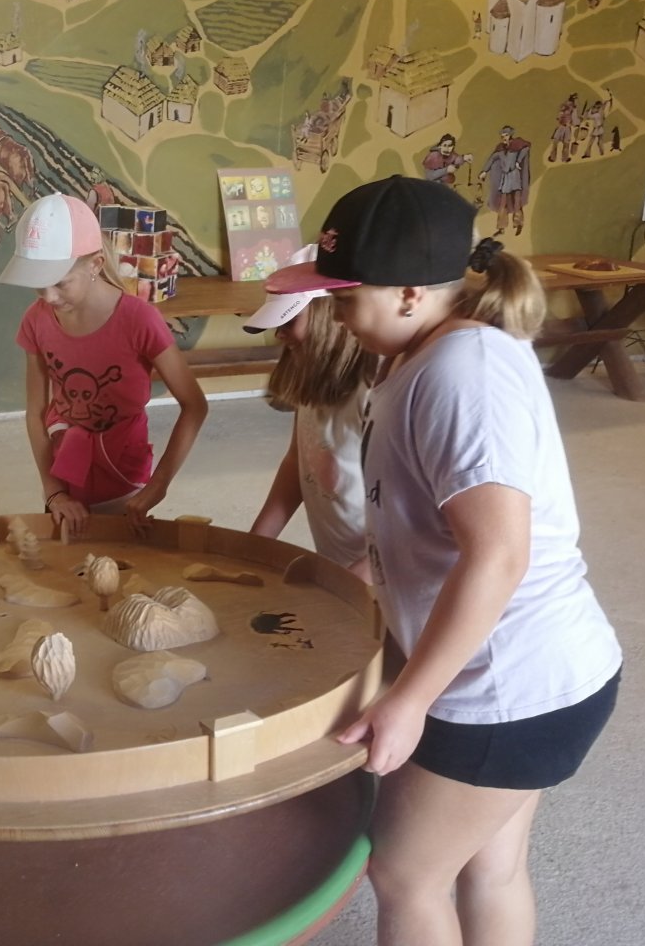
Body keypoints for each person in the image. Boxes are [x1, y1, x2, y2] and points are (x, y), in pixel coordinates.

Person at [265, 176, 622, 946]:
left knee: (404, 875)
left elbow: (499, 555)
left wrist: (410, 699)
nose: (333, 312)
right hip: (537, 675)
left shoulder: (463, 374)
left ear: (407, 294)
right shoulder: (415, 357)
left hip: (506, 691)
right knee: (490, 867)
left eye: (344, 296)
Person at [0, 193, 208, 537]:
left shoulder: (139, 319)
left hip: (123, 470)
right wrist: (54, 491)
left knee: (119, 555)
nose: (49, 297)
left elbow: (194, 404)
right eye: (38, 285)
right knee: (65, 557)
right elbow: (35, 412)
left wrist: (159, 485)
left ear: (95, 264)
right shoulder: (36, 320)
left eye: (60, 282)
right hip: (63, 467)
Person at [246, 244, 375, 580]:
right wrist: (255, 543)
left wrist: (346, 585)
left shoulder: (371, 395)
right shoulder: (311, 375)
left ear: (332, 315)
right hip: (339, 564)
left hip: (380, 576)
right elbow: (296, 462)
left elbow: (412, 527)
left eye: (290, 320)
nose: (280, 334)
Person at [479, 125, 531, 237]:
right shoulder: (500, 149)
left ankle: (518, 223)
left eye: (506, 135)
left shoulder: (517, 144)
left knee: (517, 201)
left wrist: (518, 161)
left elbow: (526, 148)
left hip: (515, 176)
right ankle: (501, 227)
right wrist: (484, 171)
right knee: (503, 203)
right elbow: (492, 158)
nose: (504, 138)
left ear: (510, 135)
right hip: (506, 178)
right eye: (502, 136)